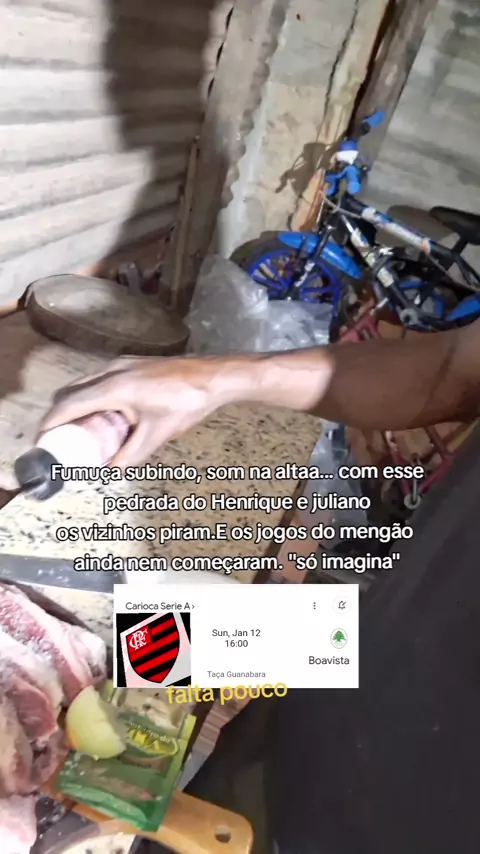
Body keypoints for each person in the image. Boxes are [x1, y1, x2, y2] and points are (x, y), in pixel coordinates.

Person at [41, 322, 480, 854]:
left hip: (389, 825)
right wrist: (217, 379)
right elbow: (455, 367)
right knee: (120, 645)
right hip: (336, 689)